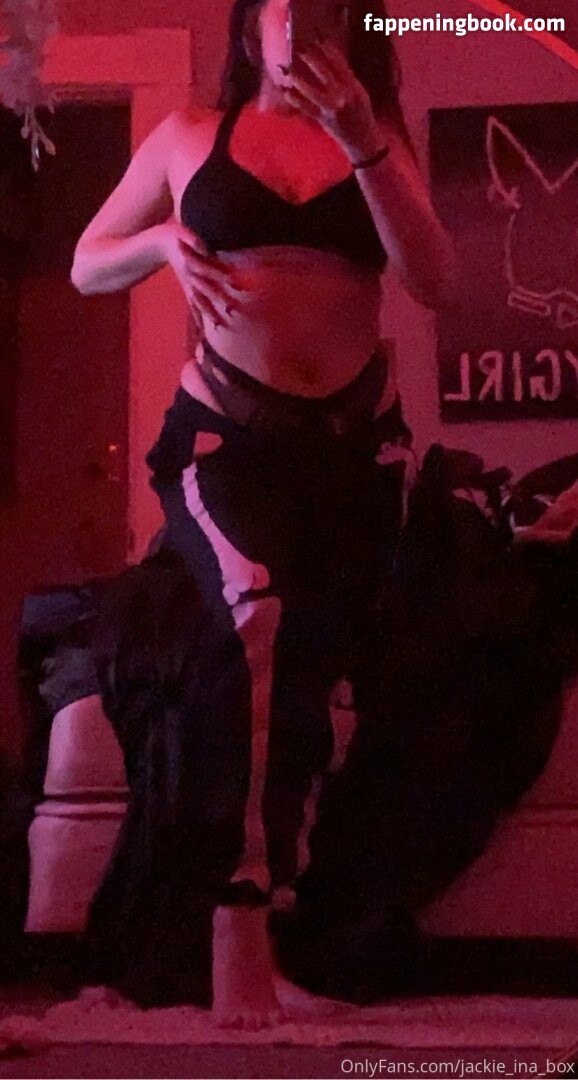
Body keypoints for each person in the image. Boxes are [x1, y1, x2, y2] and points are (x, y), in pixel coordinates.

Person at [70, 0, 457, 1029]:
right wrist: (161, 239)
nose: (301, 28)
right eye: (284, 7)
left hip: (352, 452)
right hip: (224, 439)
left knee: (313, 674)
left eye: (325, 9)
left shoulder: (379, 137)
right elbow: (85, 261)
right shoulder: (190, 134)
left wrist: (364, 142)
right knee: (254, 609)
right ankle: (233, 921)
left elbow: (436, 281)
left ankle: (287, 921)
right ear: (253, 28)